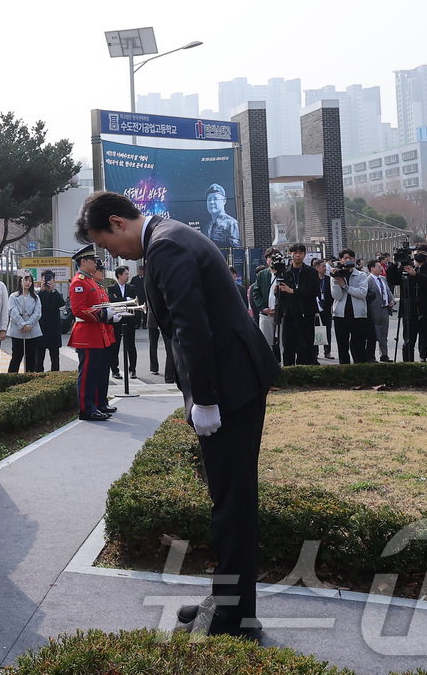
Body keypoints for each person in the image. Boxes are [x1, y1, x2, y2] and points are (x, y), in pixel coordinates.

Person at [76, 191, 279, 643]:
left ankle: (237, 617)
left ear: (118, 222)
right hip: (232, 379)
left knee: (233, 502)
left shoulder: (165, 246)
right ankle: (226, 599)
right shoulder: (169, 237)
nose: (113, 256)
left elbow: (192, 327)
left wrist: (204, 399)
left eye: (107, 244)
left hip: (228, 387)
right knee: (228, 498)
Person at [67, 246, 119, 421]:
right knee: (88, 375)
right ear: (83, 261)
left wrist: (108, 315)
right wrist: (104, 314)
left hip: (97, 334)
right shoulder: (79, 282)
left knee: (99, 373)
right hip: (87, 335)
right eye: (92, 260)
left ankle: (96, 404)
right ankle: (86, 409)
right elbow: (79, 310)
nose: (95, 263)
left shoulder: (89, 281)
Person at [275, 244, 320, 367]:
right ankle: (288, 370)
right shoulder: (285, 272)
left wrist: (293, 291)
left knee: (305, 345)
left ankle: (305, 371)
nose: (297, 255)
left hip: (306, 313)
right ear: (291, 254)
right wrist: (277, 291)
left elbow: (314, 291)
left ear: (304, 254)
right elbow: (281, 296)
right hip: (289, 313)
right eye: (295, 253)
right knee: (288, 344)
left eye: (300, 253)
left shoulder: (310, 271)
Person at [328, 249, 372, 364]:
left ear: (355, 260)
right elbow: (336, 296)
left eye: (350, 258)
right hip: (340, 315)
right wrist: (336, 280)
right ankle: (344, 369)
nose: (348, 260)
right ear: (341, 260)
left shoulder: (361, 275)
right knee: (342, 346)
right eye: (345, 258)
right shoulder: (336, 275)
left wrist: (345, 286)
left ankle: (359, 368)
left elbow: (362, 293)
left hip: (358, 315)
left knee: (359, 346)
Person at [401, 251, 427, 363]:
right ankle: (408, 365)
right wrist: (395, 264)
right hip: (410, 310)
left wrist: (416, 275)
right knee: (408, 340)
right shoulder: (407, 267)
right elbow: (393, 279)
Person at [6, 273, 44, 372]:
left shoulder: (35, 297)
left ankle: (30, 378)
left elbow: (37, 313)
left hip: (32, 330)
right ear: (20, 282)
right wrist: (23, 325)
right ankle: (12, 378)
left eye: (30, 281)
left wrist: (28, 324)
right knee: (16, 357)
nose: (28, 283)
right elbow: (13, 312)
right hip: (18, 330)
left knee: (31, 358)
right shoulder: (13, 296)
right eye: (25, 280)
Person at [110, 265, 139, 377]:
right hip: (116, 320)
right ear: (119, 275)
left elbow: (134, 302)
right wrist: (126, 299)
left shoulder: (132, 288)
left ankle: (132, 369)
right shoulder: (112, 288)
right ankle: (115, 370)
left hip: (129, 320)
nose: (128, 276)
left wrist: (120, 300)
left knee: (131, 345)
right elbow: (112, 300)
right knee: (115, 346)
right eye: (126, 274)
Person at [250, 248, 280, 354]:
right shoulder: (262, 274)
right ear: (266, 260)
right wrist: (263, 308)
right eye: (270, 257)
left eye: (275, 257)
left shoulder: (285, 273)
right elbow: (256, 293)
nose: (272, 260)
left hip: (281, 315)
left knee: (283, 343)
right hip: (266, 314)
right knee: (266, 344)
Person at [365, 258, 396, 361]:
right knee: (373, 334)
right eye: (379, 267)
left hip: (385, 309)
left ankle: (384, 354)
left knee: (384, 334)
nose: (381, 269)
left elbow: (388, 291)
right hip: (374, 311)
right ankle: (371, 355)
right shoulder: (368, 280)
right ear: (372, 268)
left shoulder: (383, 279)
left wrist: (392, 300)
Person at [36, 270, 66, 372]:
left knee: (55, 357)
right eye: (45, 279)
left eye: (50, 279)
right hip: (41, 328)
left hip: (54, 329)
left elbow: (61, 303)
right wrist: (42, 290)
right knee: (39, 357)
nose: (47, 281)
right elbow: (36, 304)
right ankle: (38, 375)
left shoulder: (57, 293)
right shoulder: (38, 294)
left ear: (54, 280)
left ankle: (55, 375)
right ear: (41, 280)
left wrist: (53, 289)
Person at [203, 183, 241, 248]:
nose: (211, 202)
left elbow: (237, 248)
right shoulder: (208, 226)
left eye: (215, 198)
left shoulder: (231, 223)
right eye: (209, 199)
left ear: (224, 201)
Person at [313, 258, 333, 360]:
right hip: (315, 307)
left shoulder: (329, 279)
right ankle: (315, 352)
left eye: (325, 266)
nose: (325, 268)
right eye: (323, 266)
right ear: (317, 268)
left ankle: (327, 351)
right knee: (315, 329)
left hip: (326, 306)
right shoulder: (313, 279)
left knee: (327, 329)